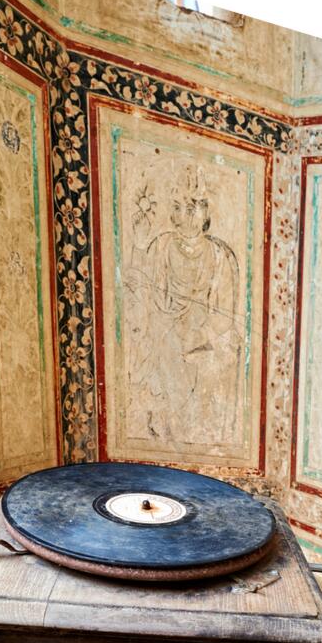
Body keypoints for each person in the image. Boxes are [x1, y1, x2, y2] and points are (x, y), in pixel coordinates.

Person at [124, 164, 242, 444]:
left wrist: (197, 335)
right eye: (177, 208)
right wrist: (139, 246)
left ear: (205, 214)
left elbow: (225, 316)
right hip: (164, 340)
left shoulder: (219, 256)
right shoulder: (162, 246)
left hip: (201, 342)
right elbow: (137, 292)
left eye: (191, 209)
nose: (183, 218)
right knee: (163, 347)